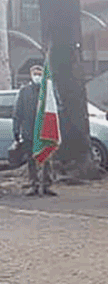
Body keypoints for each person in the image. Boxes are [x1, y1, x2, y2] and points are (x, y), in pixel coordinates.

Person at [13, 64, 55, 196]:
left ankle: (47, 185)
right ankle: (33, 184)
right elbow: (18, 112)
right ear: (31, 75)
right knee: (31, 159)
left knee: (46, 158)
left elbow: (56, 108)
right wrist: (16, 130)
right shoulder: (24, 91)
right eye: (35, 74)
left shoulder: (48, 91)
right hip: (29, 132)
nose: (37, 76)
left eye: (39, 74)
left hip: (45, 132)